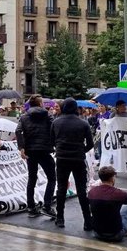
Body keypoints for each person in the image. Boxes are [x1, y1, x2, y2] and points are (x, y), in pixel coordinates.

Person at [51, 98, 94, 229]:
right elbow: (90, 144)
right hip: (78, 159)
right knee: (81, 190)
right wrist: (81, 150)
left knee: (61, 189)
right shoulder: (83, 123)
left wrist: (59, 149)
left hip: (62, 158)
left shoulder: (56, 122)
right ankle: (87, 220)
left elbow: (52, 141)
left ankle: (60, 218)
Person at [15, 94, 56, 218]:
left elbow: (18, 131)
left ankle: (31, 207)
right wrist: (53, 144)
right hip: (44, 149)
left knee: (32, 178)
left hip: (30, 150)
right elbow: (54, 128)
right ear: (40, 104)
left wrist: (21, 147)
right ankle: (47, 206)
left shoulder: (24, 116)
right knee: (52, 178)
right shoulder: (48, 115)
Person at [88, 166, 127, 241]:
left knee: (95, 206)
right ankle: (124, 229)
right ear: (112, 178)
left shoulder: (92, 192)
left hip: (97, 233)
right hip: (115, 234)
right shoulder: (119, 193)